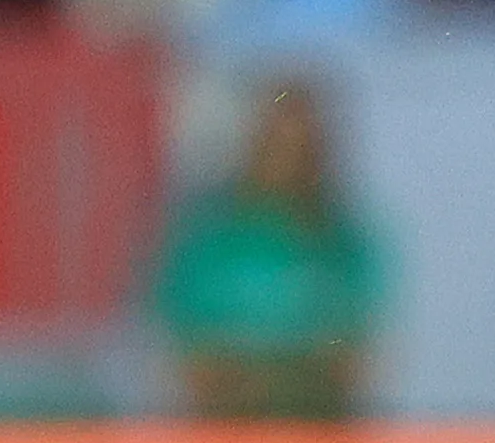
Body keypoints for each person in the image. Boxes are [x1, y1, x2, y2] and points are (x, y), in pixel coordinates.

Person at [154, 75, 380, 421]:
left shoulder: (346, 241)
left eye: (300, 142)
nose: (287, 154)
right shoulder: (207, 235)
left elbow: (355, 362)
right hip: (225, 439)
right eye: (275, 139)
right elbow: (189, 359)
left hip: (318, 440)